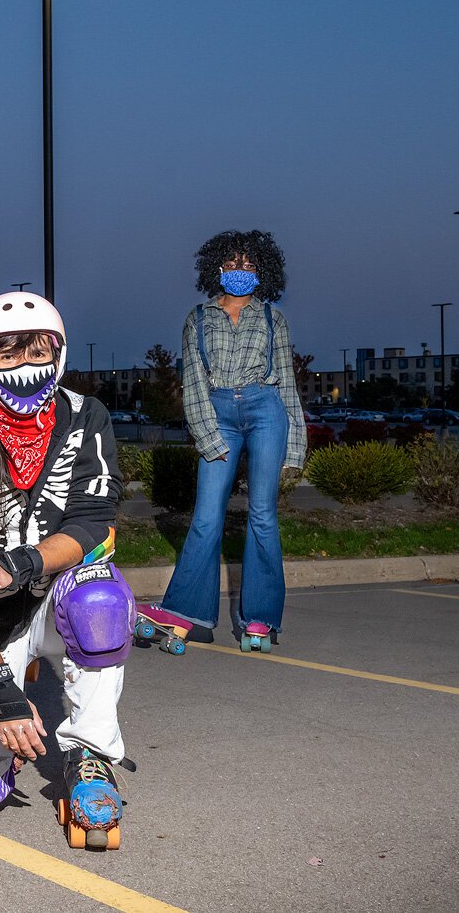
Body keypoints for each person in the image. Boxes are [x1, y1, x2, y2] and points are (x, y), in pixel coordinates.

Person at [0, 291, 130, 847]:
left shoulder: (88, 417)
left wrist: (21, 561)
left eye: (37, 352)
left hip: (61, 595)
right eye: (7, 355)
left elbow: (94, 526)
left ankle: (91, 756)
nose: (25, 368)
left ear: (58, 354)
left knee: (100, 601)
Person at [136, 230, 306, 654]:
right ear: (218, 268)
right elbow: (193, 385)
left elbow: (286, 384)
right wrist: (209, 437)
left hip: (266, 409)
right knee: (207, 517)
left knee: (263, 515)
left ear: (261, 271)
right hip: (219, 413)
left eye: (249, 265)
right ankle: (189, 613)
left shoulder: (272, 319)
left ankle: (261, 619)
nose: (240, 271)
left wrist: (295, 444)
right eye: (232, 264)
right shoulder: (198, 318)